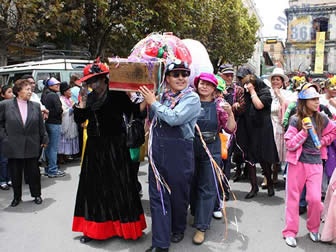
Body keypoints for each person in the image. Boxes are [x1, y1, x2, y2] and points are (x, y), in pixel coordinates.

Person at [72, 62, 146, 243]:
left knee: (121, 186)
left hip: (116, 147)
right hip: (95, 148)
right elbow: (80, 119)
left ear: (104, 79)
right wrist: (81, 100)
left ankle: (127, 228)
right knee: (95, 189)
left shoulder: (117, 95)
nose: (92, 84)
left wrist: (148, 99)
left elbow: (134, 112)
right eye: (89, 81)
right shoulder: (88, 97)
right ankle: (93, 230)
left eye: (95, 79)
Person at [139, 60, 201, 252]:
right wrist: (148, 99)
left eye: (185, 74)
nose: (181, 78)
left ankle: (178, 227)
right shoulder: (161, 95)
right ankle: (160, 243)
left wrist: (154, 103)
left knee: (178, 195)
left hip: (179, 152)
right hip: (158, 150)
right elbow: (145, 114)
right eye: (176, 74)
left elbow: (175, 118)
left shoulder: (192, 98)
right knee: (157, 196)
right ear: (167, 78)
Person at [282, 83, 336, 247]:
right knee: (293, 199)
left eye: (317, 99)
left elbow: (333, 132)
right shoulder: (295, 119)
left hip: (316, 164)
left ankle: (313, 228)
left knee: (314, 198)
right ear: (303, 102)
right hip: (297, 164)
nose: (316, 102)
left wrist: (322, 141)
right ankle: (290, 232)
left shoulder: (322, 118)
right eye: (312, 99)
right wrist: (303, 132)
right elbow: (290, 144)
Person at [191, 73, 236, 245]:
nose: (204, 87)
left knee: (208, 185)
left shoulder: (219, 106)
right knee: (192, 183)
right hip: (191, 145)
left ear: (214, 88)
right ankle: (196, 213)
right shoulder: (189, 101)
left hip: (212, 147)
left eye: (208, 84)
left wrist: (230, 113)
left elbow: (230, 129)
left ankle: (201, 227)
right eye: (201, 83)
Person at [0, 79, 48, 207]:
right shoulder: (5, 105)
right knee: (15, 173)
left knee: (33, 172)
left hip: (32, 143)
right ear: (18, 91)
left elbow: (40, 125)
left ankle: (37, 195)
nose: (30, 91)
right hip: (13, 144)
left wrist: (44, 138)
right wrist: (4, 137)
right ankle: (17, 197)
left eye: (30, 89)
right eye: (27, 89)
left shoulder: (35, 106)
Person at [238, 73, 279, 199]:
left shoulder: (265, 93)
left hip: (262, 130)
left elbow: (259, 105)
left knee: (264, 159)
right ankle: (253, 187)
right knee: (250, 160)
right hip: (249, 130)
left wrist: (252, 91)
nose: (247, 87)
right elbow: (244, 109)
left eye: (249, 84)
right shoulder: (246, 94)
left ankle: (270, 184)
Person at [218, 65, 246, 183]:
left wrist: (237, 106)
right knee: (219, 155)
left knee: (227, 155)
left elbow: (243, 107)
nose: (229, 77)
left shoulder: (238, 90)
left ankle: (225, 184)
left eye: (231, 75)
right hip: (218, 125)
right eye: (226, 75)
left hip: (232, 125)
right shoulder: (216, 87)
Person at [265, 68, 291, 188]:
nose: (275, 82)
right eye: (274, 79)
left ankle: (275, 174)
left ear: (282, 82)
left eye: (278, 79)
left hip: (279, 125)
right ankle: (266, 177)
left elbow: (287, 107)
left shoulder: (286, 94)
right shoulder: (266, 92)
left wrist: (279, 94)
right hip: (267, 124)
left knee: (277, 152)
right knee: (266, 152)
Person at [41, 77, 65, 178]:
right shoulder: (53, 96)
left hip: (47, 122)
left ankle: (48, 169)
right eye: (56, 85)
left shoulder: (44, 95)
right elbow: (59, 109)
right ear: (50, 86)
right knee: (53, 148)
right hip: (54, 123)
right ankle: (53, 169)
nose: (58, 86)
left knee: (48, 147)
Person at [58, 82, 79, 162]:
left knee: (69, 138)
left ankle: (67, 154)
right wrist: (70, 110)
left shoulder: (70, 99)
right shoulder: (61, 99)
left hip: (71, 122)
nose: (70, 92)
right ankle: (61, 156)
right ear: (64, 92)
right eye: (69, 91)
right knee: (63, 139)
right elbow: (62, 111)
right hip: (65, 122)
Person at [0, 85, 13, 190]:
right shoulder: (2, 105)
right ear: (2, 95)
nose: (11, 94)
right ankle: (3, 180)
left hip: (13, 135)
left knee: (10, 159)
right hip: (4, 135)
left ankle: (9, 178)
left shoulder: (14, 104)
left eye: (12, 92)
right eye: (9, 92)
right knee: (4, 160)